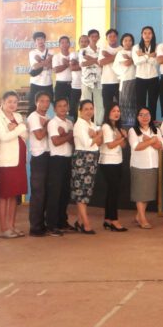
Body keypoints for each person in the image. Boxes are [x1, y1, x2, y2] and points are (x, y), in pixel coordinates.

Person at [0, 90, 28, 239]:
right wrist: (20, 128)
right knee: (4, 195)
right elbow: (4, 137)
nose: (12, 104)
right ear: (3, 102)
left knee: (14, 195)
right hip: (6, 161)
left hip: (19, 159)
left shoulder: (18, 116)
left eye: (15, 102)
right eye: (9, 102)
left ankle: (11, 226)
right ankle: (3, 228)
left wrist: (17, 129)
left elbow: (25, 135)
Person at [70, 99, 102, 234]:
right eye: (86, 109)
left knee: (86, 192)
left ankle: (80, 221)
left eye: (91, 108)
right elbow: (87, 143)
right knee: (81, 192)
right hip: (82, 160)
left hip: (92, 159)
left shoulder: (92, 124)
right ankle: (86, 224)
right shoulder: (79, 125)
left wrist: (96, 136)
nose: (89, 111)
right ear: (80, 111)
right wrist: (98, 135)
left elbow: (99, 142)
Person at [129, 107, 162, 229]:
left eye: (147, 114)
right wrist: (152, 141)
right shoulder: (133, 130)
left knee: (147, 193)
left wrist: (148, 140)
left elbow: (160, 146)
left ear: (150, 116)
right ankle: (142, 219)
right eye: (141, 115)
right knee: (140, 194)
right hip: (139, 165)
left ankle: (139, 216)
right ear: (137, 117)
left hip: (152, 165)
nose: (144, 117)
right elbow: (136, 147)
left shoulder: (156, 130)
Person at [26, 91, 53, 237]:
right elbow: (39, 135)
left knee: (45, 192)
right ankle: (35, 227)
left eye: (47, 101)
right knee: (38, 193)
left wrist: (47, 124)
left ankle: (42, 224)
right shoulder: (33, 117)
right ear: (36, 102)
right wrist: (48, 125)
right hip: (38, 157)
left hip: (48, 155)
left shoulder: (47, 117)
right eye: (42, 101)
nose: (45, 104)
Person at [98, 103, 129, 232]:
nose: (117, 113)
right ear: (108, 113)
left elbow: (124, 146)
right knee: (113, 191)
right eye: (113, 111)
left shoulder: (117, 127)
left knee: (113, 191)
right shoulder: (105, 126)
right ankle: (114, 220)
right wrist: (122, 137)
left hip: (117, 161)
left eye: (118, 111)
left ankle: (107, 220)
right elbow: (110, 145)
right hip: (107, 162)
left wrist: (122, 138)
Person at [46, 96, 74, 234]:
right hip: (56, 160)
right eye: (59, 106)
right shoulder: (53, 123)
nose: (63, 108)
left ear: (68, 107)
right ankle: (51, 225)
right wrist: (68, 136)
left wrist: (66, 135)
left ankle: (62, 222)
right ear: (55, 109)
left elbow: (73, 141)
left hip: (67, 159)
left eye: (65, 105)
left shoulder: (69, 122)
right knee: (55, 193)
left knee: (64, 193)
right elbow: (56, 142)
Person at [133, 26, 159, 123]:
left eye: (149, 33)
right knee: (140, 103)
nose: (147, 35)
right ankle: (140, 123)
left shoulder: (157, 46)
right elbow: (136, 62)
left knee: (153, 102)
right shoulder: (136, 47)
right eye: (145, 33)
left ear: (153, 35)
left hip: (153, 78)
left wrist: (143, 55)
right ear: (141, 35)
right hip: (140, 78)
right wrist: (149, 55)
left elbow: (156, 62)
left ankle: (152, 123)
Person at [113, 32, 138, 130]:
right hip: (126, 80)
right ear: (122, 42)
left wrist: (132, 58)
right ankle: (125, 126)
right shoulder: (120, 53)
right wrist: (133, 59)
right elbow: (126, 64)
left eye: (130, 40)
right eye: (125, 40)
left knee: (134, 102)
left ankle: (134, 125)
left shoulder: (135, 51)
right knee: (125, 102)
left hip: (136, 79)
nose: (128, 42)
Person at [79, 29, 103, 120]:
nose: (94, 38)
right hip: (86, 81)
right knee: (85, 104)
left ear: (99, 38)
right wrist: (96, 60)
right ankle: (84, 123)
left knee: (99, 104)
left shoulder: (101, 50)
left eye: (96, 36)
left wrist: (89, 58)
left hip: (98, 80)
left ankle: (98, 124)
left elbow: (102, 64)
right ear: (89, 37)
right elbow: (83, 64)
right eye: (92, 36)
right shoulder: (83, 50)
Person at [52, 36, 78, 118]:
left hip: (72, 85)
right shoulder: (56, 56)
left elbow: (77, 67)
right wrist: (68, 64)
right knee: (59, 106)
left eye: (66, 42)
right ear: (59, 45)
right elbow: (56, 70)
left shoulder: (74, 55)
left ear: (69, 44)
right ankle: (60, 123)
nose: (64, 44)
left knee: (73, 107)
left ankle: (73, 123)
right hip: (60, 85)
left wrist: (66, 63)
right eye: (62, 43)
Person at [98, 28, 121, 115]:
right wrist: (116, 57)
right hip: (106, 81)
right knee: (107, 107)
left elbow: (123, 63)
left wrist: (108, 56)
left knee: (120, 106)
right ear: (106, 38)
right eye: (110, 36)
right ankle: (108, 122)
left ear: (117, 37)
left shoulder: (121, 49)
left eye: (114, 36)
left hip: (119, 82)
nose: (112, 38)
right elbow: (101, 62)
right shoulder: (103, 49)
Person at [27, 31, 53, 108]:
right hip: (35, 83)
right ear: (35, 41)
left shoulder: (51, 52)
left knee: (49, 107)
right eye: (38, 39)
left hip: (48, 83)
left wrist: (40, 62)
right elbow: (35, 66)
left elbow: (52, 66)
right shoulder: (33, 53)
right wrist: (48, 61)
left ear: (44, 40)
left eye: (42, 39)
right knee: (33, 106)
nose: (40, 41)